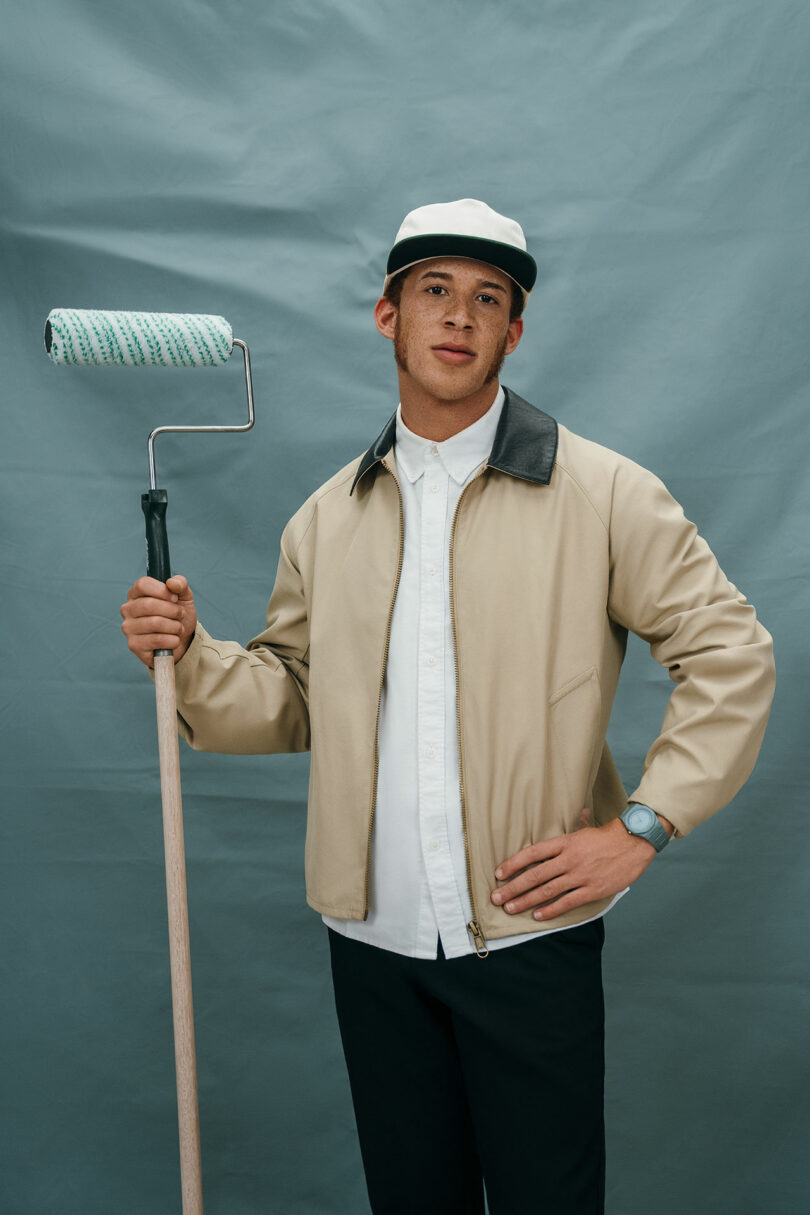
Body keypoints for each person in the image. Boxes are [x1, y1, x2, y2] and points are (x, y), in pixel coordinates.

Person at [120, 199, 775, 1214]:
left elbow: (733, 654)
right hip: (371, 943)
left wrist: (643, 825)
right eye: (434, 290)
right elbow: (292, 700)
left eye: (486, 299)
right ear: (389, 314)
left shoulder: (603, 493)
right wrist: (189, 656)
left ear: (513, 333)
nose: (457, 316)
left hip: (528, 939)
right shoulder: (329, 518)